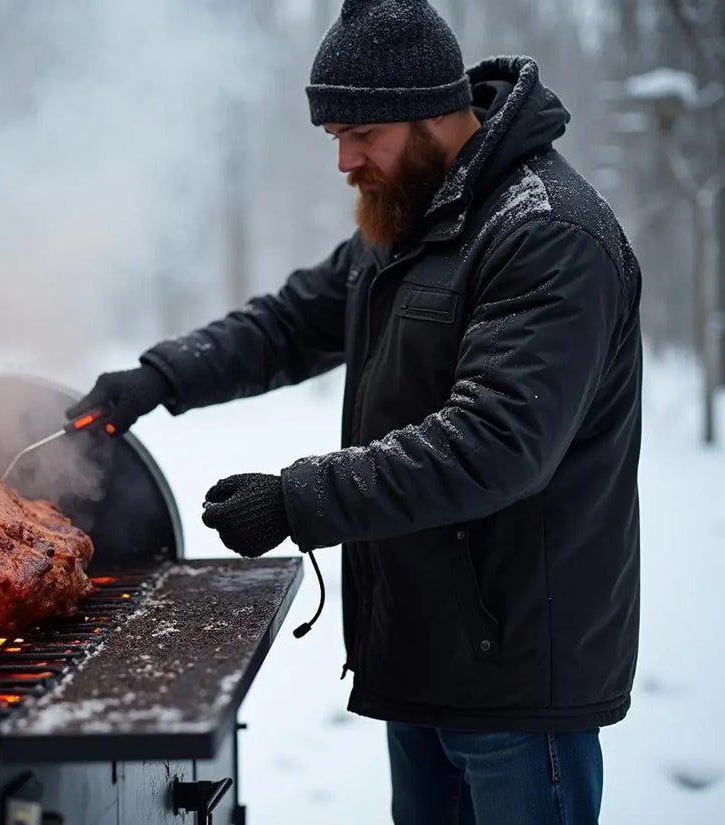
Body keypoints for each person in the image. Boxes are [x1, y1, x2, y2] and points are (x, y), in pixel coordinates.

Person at [67, 1, 642, 822]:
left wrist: (299, 498)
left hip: (516, 676)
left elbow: (496, 443)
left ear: (434, 112)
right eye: (333, 133)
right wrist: (160, 377)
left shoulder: (547, 234)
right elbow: (291, 321)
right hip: (423, 651)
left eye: (359, 134)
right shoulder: (412, 216)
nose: (343, 159)